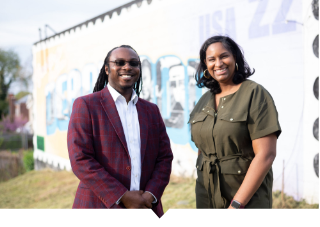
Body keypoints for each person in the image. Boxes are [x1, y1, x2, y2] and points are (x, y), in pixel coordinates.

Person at [67, 45, 173, 217]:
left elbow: (164, 158)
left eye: (133, 63)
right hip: (99, 207)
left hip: (145, 208)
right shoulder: (86, 105)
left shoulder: (151, 110)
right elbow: (80, 159)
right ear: (107, 69)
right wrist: (121, 196)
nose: (127, 67)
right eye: (120, 62)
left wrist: (150, 195)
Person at [189, 36, 281, 209]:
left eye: (224, 56)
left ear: (235, 58)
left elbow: (266, 154)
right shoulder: (203, 101)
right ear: (205, 65)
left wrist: (237, 204)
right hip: (206, 196)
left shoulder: (254, 94)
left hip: (246, 199)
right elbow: (202, 148)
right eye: (211, 59)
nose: (218, 63)